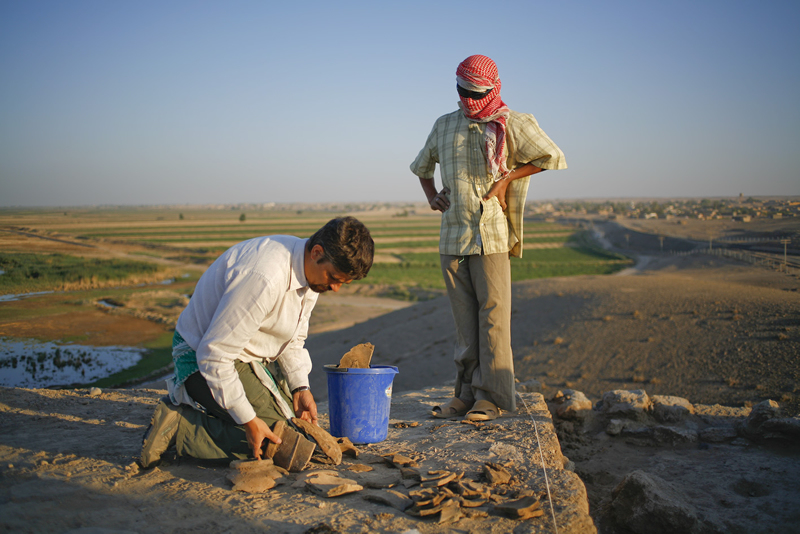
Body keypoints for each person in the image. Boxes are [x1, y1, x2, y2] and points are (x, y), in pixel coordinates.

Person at [139, 216, 374, 468]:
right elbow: (214, 355)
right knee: (283, 443)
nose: (336, 288)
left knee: (295, 428)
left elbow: (293, 340)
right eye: (334, 278)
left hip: (246, 357)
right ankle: (181, 428)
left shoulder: (310, 274)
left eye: (342, 283)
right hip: (200, 360)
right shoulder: (265, 277)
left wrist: (299, 388)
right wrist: (248, 421)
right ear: (317, 252)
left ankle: (218, 421)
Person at [410, 54, 567, 421]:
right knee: (465, 321)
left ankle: (491, 397)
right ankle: (464, 394)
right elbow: (421, 167)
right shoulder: (444, 125)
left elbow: (551, 155)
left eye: (476, 93)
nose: (468, 99)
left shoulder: (510, 123)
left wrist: (507, 179)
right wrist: (432, 196)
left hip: (491, 233)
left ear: (493, 89)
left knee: (494, 317)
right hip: (452, 234)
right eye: (462, 91)